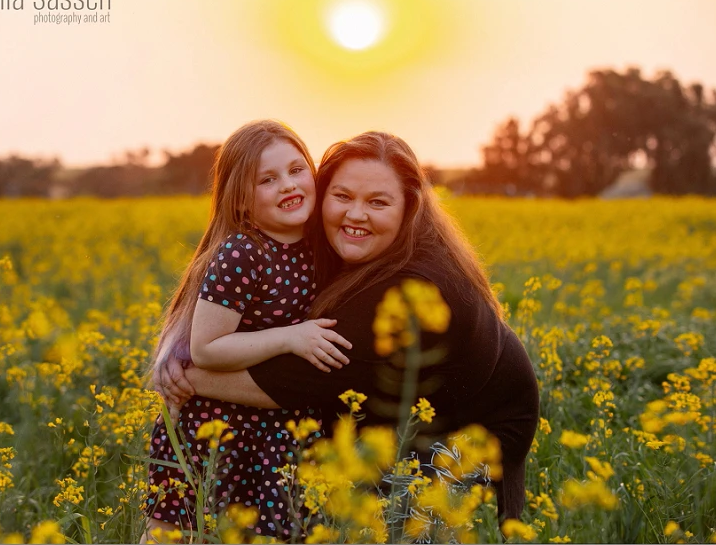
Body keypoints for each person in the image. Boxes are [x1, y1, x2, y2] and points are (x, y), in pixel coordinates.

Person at [155, 130, 540, 524]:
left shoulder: (413, 286)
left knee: (359, 522)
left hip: (471, 439)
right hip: (404, 421)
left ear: (410, 207)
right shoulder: (327, 245)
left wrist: (187, 373)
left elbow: (289, 383)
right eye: (342, 196)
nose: (356, 215)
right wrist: (183, 343)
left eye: (378, 202)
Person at [142, 119, 353, 542]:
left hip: (275, 432)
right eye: (267, 180)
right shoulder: (244, 253)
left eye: (297, 170)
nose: (288, 185)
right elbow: (206, 348)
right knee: (176, 534)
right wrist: (291, 336)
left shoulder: (317, 244)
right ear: (239, 200)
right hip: (213, 428)